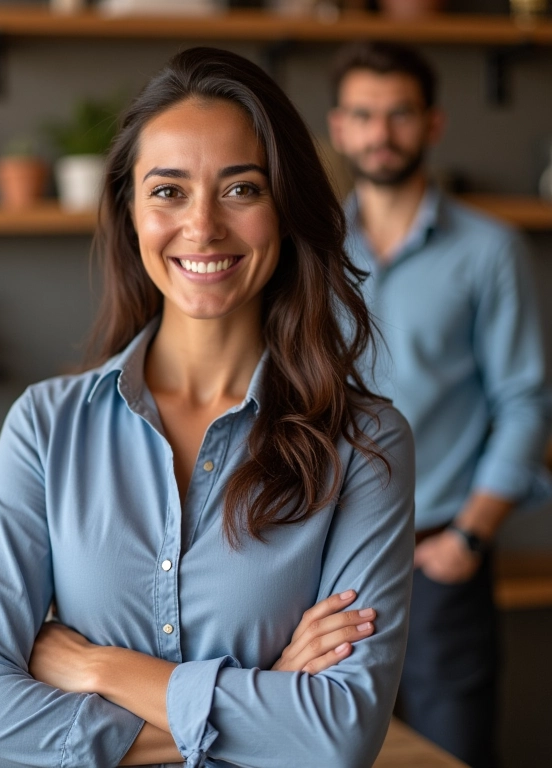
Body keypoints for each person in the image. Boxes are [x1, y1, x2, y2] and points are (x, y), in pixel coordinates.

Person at [0, 46, 415, 768]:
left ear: (286, 210)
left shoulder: (364, 444)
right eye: (168, 191)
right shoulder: (46, 428)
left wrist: (101, 669)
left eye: (241, 190)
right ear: (130, 211)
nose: (202, 228)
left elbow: (338, 737)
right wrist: (269, 697)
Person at [328, 40, 552, 768]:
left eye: (398, 115)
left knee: (452, 755)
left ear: (433, 124)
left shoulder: (491, 251)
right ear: (338, 128)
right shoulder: (309, 252)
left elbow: (524, 402)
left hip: (440, 559)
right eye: (363, 115)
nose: (380, 133)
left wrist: (472, 538)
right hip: (322, 560)